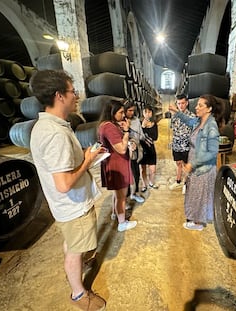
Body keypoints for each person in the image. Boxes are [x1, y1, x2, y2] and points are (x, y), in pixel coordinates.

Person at [29, 69, 106, 311]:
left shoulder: (51, 126)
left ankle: (75, 272)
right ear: (59, 95)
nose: (77, 96)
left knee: (72, 244)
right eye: (73, 91)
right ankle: (78, 294)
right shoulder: (54, 134)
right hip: (73, 205)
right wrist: (87, 160)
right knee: (76, 249)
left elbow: (62, 169)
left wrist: (86, 157)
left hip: (66, 207)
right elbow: (63, 184)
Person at [168, 94, 220, 231]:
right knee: (194, 193)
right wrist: (176, 112)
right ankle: (195, 219)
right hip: (195, 164)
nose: (196, 107)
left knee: (199, 195)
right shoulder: (199, 120)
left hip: (203, 168)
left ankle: (198, 223)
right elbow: (188, 121)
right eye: (197, 104)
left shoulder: (211, 126)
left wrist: (193, 163)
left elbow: (212, 152)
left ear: (209, 109)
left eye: (200, 105)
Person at [97, 99, 138, 232]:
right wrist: (126, 132)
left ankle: (116, 214)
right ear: (112, 112)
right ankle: (122, 222)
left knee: (117, 194)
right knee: (121, 196)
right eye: (120, 112)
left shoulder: (105, 125)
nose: (123, 115)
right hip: (117, 164)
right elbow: (121, 149)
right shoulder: (109, 127)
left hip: (114, 163)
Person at [169, 94, 195, 192]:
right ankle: (178, 181)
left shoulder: (191, 116)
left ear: (187, 103)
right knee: (178, 163)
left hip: (186, 145)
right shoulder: (174, 116)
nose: (181, 105)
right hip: (176, 144)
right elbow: (173, 129)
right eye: (179, 103)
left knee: (186, 165)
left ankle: (185, 183)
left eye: (183, 103)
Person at [124, 101, 145, 203]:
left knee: (136, 173)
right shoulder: (122, 121)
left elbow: (141, 134)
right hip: (126, 151)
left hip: (136, 150)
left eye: (133, 110)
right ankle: (126, 197)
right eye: (129, 110)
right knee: (128, 175)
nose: (132, 113)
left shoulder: (136, 120)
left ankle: (135, 193)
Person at [140, 105, 159, 191]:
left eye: (149, 112)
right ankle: (144, 185)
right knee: (143, 169)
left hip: (151, 149)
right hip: (142, 149)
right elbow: (139, 137)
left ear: (152, 113)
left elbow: (155, 137)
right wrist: (143, 127)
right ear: (143, 113)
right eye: (145, 112)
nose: (147, 114)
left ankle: (151, 182)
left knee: (152, 170)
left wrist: (148, 127)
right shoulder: (140, 125)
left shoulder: (154, 124)